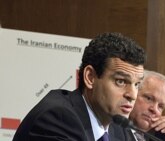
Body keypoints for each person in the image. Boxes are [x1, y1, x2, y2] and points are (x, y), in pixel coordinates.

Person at [12, 32, 146, 141]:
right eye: (121, 81)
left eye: (137, 84)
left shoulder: (119, 128)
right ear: (90, 77)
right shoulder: (57, 119)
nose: (132, 95)